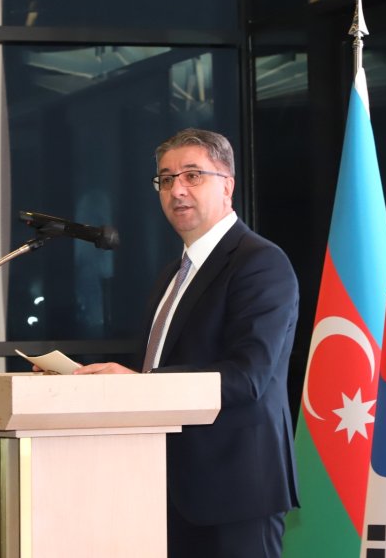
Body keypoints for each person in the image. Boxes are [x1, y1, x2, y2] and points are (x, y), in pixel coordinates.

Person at [72, 128, 300, 558]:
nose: (176, 190)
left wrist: (140, 384)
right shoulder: (173, 273)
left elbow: (247, 377)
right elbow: (163, 367)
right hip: (164, 485)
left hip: (234, 490)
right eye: (165, 179)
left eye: (192, 175)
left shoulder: (259, 262)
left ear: (227, 184)